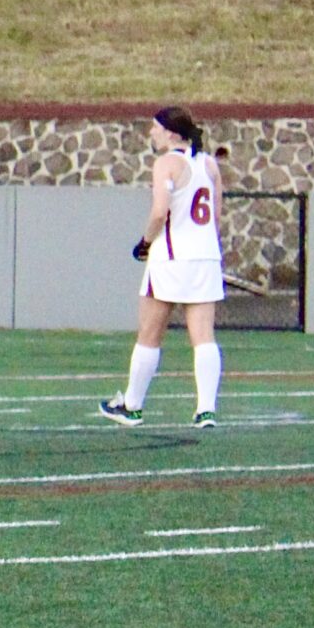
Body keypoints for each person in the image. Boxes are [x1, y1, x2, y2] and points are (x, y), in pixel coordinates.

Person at [101, 107, 227, 429]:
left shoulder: (166, 164)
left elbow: (160, 212)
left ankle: (132, 405)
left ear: (171, 133)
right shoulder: (209, 164)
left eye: (155, 128)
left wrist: (144, 243)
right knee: (203, 337)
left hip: (170, 258)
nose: (151, 134)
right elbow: (215, 217)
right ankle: (206, 410)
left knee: (149, 333)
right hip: (205, 257)